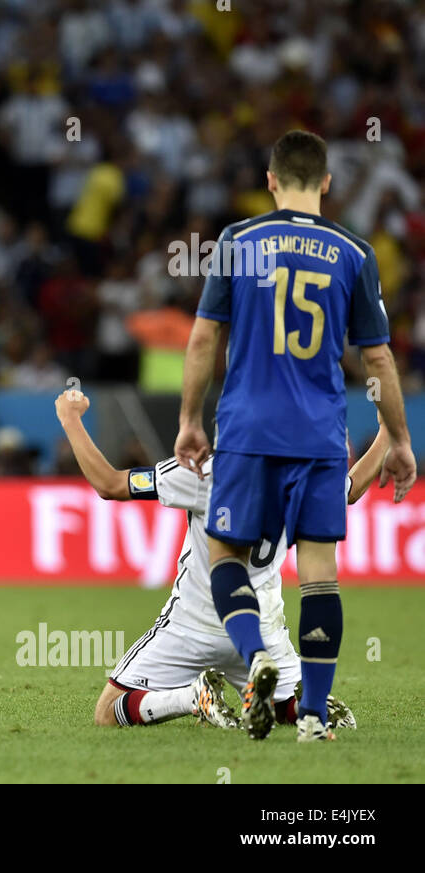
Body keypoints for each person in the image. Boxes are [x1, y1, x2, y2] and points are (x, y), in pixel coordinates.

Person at [176, 130, 417, 742]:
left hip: (248, 429)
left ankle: (255, 653)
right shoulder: (355, 253)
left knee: (225, 554)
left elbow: (204, 338)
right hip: (318, 435)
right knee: (318, 574)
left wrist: (188, 421)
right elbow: (380, 361)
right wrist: (399, 440)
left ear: (271, 180)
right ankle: (311, 714)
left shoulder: (237, 242)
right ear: (327, 183)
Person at [55, 388, 373, 731]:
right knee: (284, 710)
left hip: (192, 626)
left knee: (108, 712)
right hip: (262, 629)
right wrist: (390, 435)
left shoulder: (205, 471)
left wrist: (70, 420)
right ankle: (304, 707)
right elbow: (351, 488)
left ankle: (191, 698)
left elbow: (110, 484)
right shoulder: (309, 479)